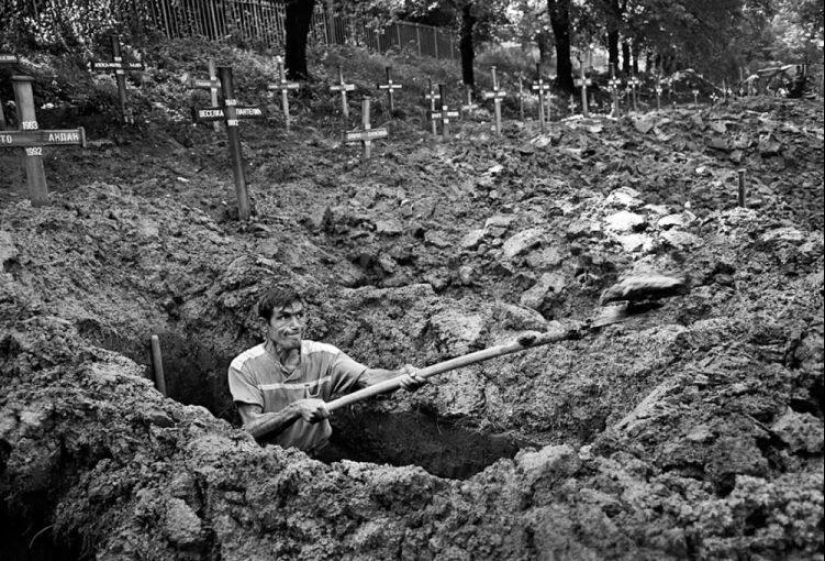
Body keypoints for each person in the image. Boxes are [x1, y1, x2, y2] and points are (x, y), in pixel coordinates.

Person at [228, 288, 426, 454]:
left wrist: (399, 376)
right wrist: (296, 409)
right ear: (265, 325)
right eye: (284, 317)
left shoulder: (324, 356)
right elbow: (251, 429)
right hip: (268, 463)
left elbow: (368, 378)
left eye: (300, 316)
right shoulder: (244, 367)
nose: (295, 325)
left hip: (317, 459)